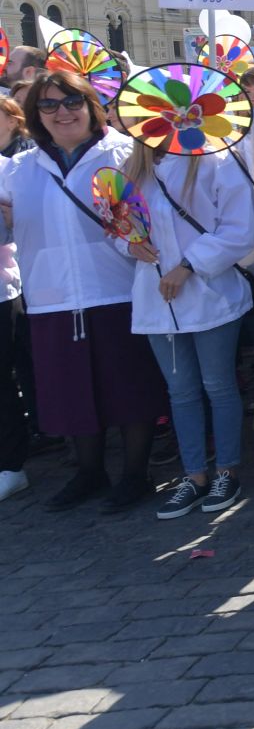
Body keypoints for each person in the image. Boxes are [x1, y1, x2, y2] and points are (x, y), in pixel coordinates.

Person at [0, 72, 168, 510]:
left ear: (92, 105)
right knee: (70, 390)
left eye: (72, 101)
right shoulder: (20, 168)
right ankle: (89, 473)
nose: (63, 112)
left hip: (117, 290)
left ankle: (135, 474)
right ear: (35, 116)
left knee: (130, 390)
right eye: (49, 105)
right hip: (52, 297)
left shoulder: (125, 155)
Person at [124, 136, 254, 519]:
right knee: (180, 391)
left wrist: (188, 267)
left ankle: (227, 471)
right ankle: (194, 476)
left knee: (218, 386)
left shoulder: (216, 159)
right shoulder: (133, 168)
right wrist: (131, 245)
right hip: (156, 299)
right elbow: (118, 227)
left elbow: (238, 230)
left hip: (209, 294)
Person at [0, 97, 31, 502]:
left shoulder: (8, 169)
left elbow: (12, 230)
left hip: (2, 289)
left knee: (2, 382)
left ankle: (11, 464)